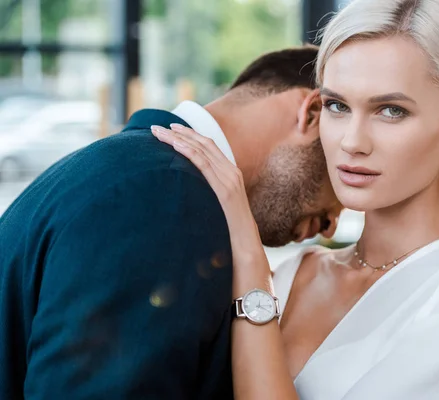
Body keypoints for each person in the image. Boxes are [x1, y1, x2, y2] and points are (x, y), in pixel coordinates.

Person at [153, 0, 439, 399]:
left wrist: (250, 262)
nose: (352, 142)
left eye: (391, 110)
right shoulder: (291, 275)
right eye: (337, 106)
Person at [0, 46, 342, 399]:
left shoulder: (139, 171)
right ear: (313, 112)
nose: (332, 226)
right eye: (341, 171)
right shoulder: (167, 196)